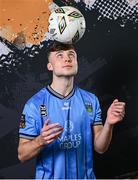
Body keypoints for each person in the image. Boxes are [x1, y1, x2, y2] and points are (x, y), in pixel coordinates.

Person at [18, 41, 125, 179]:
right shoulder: (34, 105)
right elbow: (22, 155)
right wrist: (40, 141)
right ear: (50, 66)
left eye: (71, 55)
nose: (67, 58)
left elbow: (100, 148)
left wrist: (109, 124)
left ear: (76, 63)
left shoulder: (90, 100)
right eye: (59, 56)